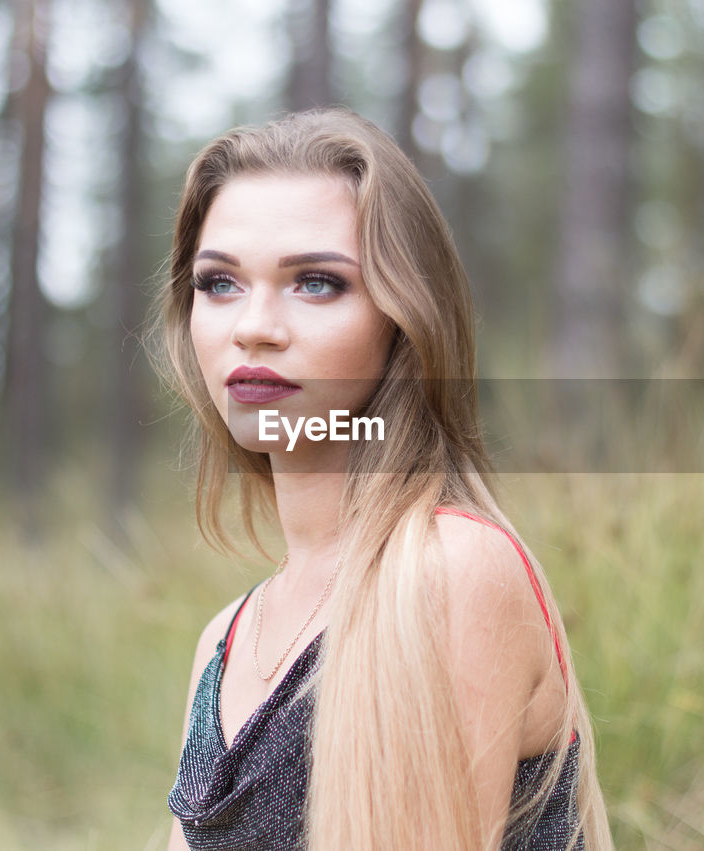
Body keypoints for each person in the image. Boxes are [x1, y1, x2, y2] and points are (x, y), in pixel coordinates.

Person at [152, 107, 612, 851]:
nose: (255, 326)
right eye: (220, 282)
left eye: (315, 283)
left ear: (404, 318)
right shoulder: (224, 642)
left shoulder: (449, 573)